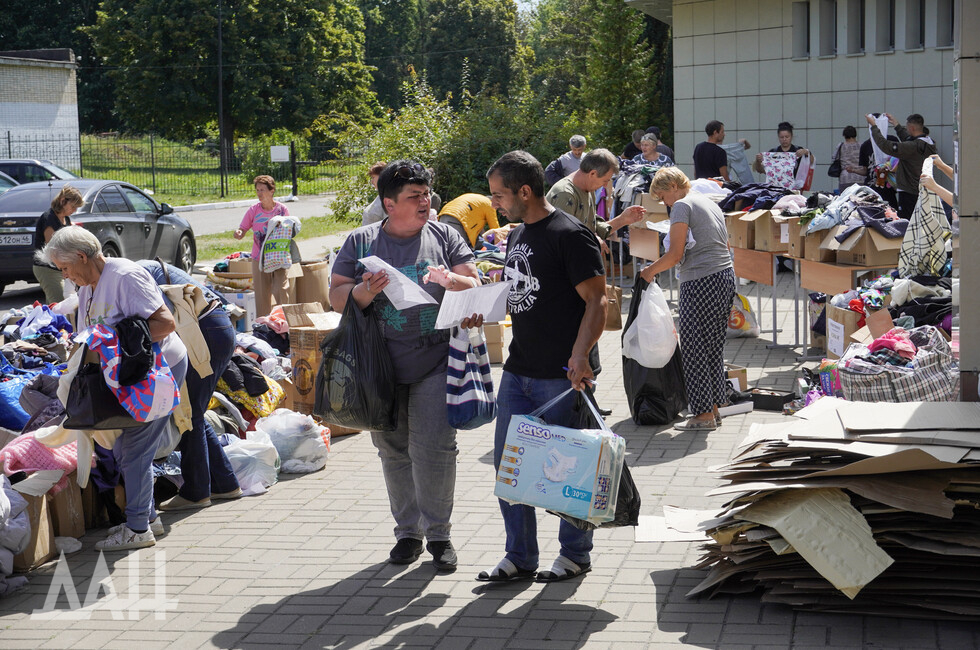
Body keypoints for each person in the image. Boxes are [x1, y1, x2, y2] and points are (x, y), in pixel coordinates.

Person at [330, 160, 480, 572]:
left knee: (435, 449)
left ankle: (440, 535)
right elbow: (336, 297)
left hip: (436, 361)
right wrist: (362, 290)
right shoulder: (361, 242)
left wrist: (452, 281)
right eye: (414, 196)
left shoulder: (445, 235)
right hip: (379, 366)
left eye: (426, 194)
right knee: (393, 450)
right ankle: (408, 534)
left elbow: (474, 283)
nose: (425, 201)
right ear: (388, 204)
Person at [478, 150, 607, 584]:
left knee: (567, 470)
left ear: (525, 191)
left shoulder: (570, 235)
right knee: (509, 468)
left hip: (561, 376)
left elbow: (597, 300)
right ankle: (520, 556)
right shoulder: (517, 235)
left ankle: (575, 554)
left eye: (499, 195)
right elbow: (521, 293)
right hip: (517, 372)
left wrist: (580, 354)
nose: (494, 202)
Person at [37, 226, 188, 551]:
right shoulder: (87, 287)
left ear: (81, 256)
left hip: (160, 371)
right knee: (122, 449)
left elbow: (165, 324)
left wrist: (114, 340)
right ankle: (147, 520)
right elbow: (88, 337)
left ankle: (138, 530)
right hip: (131, 376)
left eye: (64, 268)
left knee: (134, 451)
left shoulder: (125, 276)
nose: (65, 275)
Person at [137, 260, 242, 511]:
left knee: (188, 412)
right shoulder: (140, 267)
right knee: (194, 409)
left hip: (205, 334)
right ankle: (224, 483)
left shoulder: (128, 277)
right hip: (217, 330)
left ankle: (196, 492)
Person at [639, 167, 735, 431]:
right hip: (724, 276)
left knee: (693, 348)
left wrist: (649, 271)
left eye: (661, 197)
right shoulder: (707, 201)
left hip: (701, 279)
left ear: (671, 187)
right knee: (712, 347)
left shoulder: (681, 205)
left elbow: (675, 254)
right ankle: (714, 407)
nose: (664, 203)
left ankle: (703, 414)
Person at [546, 148, 647, 253]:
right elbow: (562, 241)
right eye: (605, 181)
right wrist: (593, 240)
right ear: (592, 174)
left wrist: (623, 219)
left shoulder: (588, 188)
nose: (604, 185)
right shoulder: (565, 194)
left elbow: (592, 227)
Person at [234, 175, 291, 317]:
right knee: (261, 296)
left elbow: (290, 229)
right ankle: (265, 328)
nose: (259, 193)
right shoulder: (254, 210)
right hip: (259, 258)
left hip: (279, 257)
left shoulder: (282, 210)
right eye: (257, 190)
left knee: (281, 292)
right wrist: (239, 233)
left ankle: (284, 324)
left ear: (272, 191)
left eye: (263, 190)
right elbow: (243, 228)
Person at [867, 112, 937, 220]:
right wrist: (896, 125)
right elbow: (909, 140)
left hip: (909, 191)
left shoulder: (913, 147)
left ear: (912, 128)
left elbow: (886, 146)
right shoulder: (928, 143)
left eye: (907, 127)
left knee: (907, 221)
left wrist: (874, 127)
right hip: (921, 188)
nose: (907, 129)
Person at [33, 184, 84, 303]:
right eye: (73, 206)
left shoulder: (65, 219)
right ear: (62, 201)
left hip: (58, 267)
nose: (75, 210)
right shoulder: (49, 218)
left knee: (56, 304)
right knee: (59, 304)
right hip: (46, 268)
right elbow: (52, 248)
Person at [834, 126, 864, 191]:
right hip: (861, 177)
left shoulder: (841, 145)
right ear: (855, 134)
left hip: (845, 178)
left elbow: (834, 158)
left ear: (844, 135)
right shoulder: (862, 145)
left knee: (845, 199)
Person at [362, 161, 387, 226]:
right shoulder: (381, 195)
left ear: (382, 177)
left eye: (373, 177)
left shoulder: (389, 198)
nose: (371, 181)